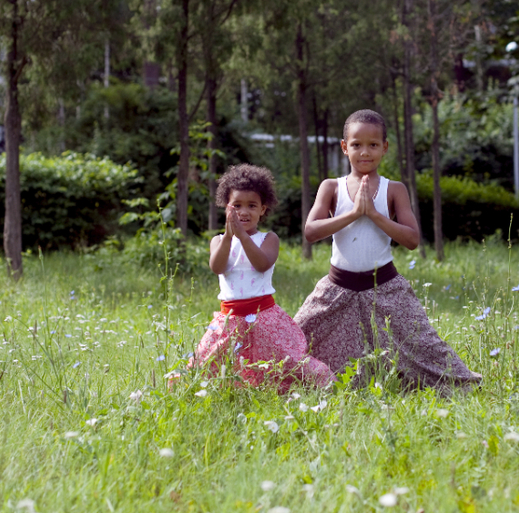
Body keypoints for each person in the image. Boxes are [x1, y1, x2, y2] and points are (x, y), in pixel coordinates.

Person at [294, 109, 481, 395]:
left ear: (385, 147)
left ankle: (457, 386)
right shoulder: (331, 187)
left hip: (385, 286)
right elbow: (311, 231)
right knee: (296, 339)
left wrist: (374, 214)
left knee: (423, 345)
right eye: (356, 144)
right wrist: (354, 213)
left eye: (373, 145)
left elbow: (412, 239)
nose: (364, 152)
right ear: (344, 147)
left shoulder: (394, 190)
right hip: (337, 288)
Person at [191, 164, 335, 391]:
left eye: (252, 206)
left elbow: (261, 264)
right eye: (237, 205)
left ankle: (322, 385)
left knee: (285, 363)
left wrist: (242, 236)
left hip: (263, 317)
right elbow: (217, 267)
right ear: (227, 208)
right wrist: (229, 236)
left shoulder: (268, 239)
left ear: (262, 209)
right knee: (202, 366)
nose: (244, 212)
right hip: (229, 319)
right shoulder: (218, 240)